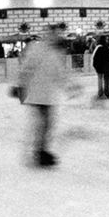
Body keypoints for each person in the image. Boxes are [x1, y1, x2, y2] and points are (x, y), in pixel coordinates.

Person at [16, 25, 78, 167]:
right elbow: (26, 67)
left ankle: (40, 151)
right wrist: (19, 84)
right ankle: (40, 152)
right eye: (55, 35)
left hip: (44, 94)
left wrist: (70, 87)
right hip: (39, 94)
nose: (56, 37)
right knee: (45, 124)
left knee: (45, 124)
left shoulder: (49, 51)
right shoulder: (39, 49)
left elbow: (60, 74)